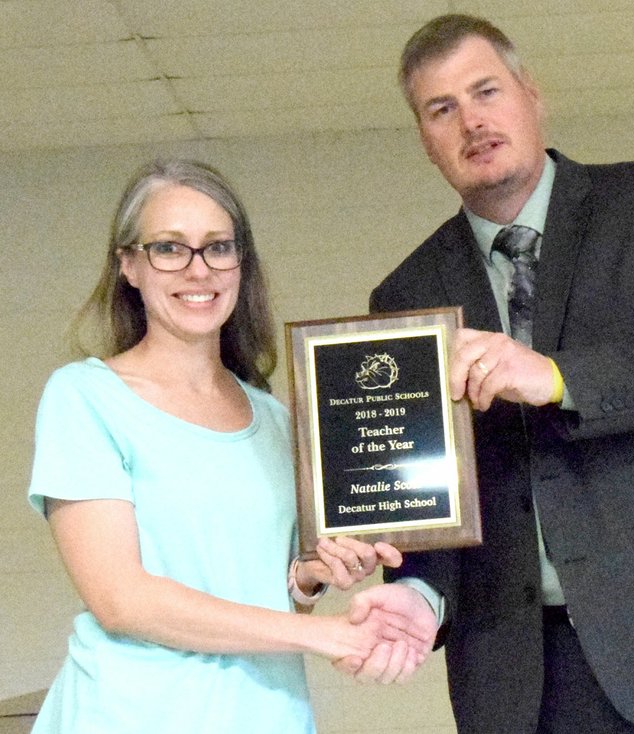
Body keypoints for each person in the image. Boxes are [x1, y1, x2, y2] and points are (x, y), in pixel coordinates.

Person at [344, 13, 634, 734]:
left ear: (531, 94)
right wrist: (418, 594)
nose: (472, 121)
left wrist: (558, 377)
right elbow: (425, 501)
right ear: (425, 140)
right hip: (524, 682)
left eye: (486, 91)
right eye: (442, 109)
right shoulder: (406, 297)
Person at [27, 159, 427, 733]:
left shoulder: (275, 419)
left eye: (218, 247)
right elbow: (122, 600)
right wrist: (324, 635)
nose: (198, 269)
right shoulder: (85, 398)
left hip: (265, 714)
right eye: (170, 248)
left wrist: (309, 576)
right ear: (129, 266)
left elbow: (263, 593)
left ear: (242, 263)